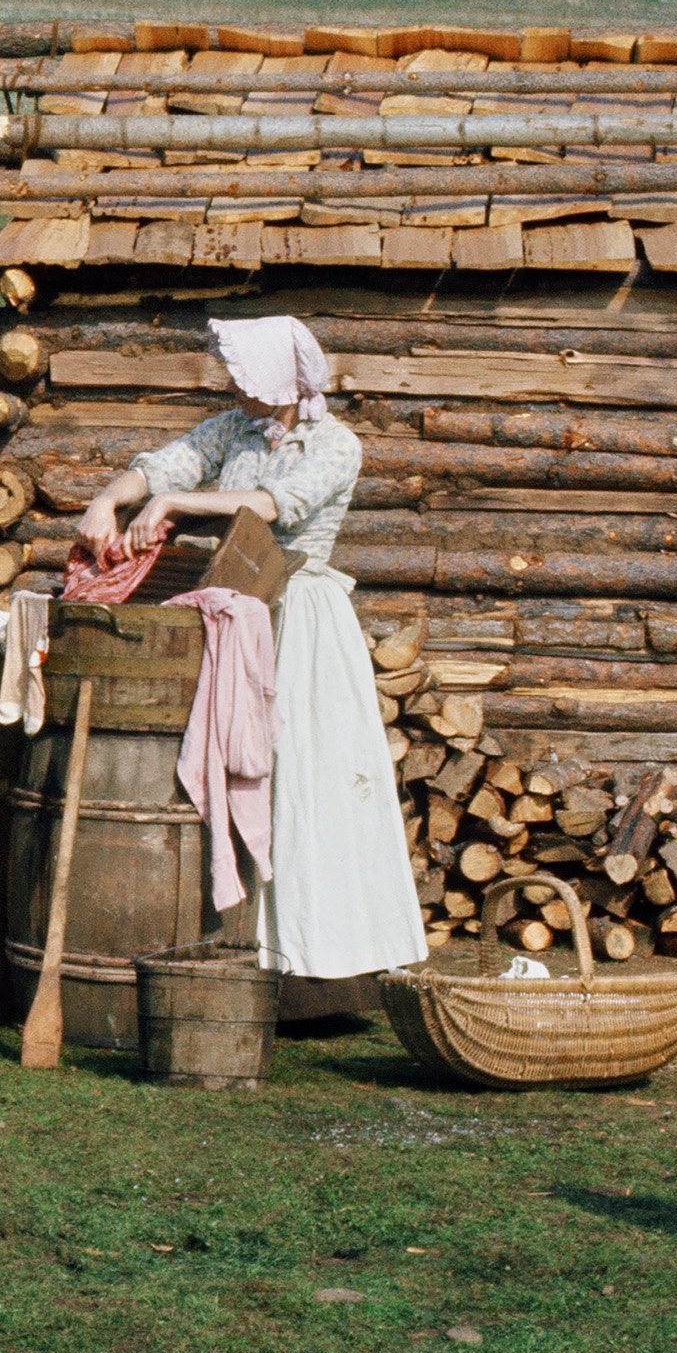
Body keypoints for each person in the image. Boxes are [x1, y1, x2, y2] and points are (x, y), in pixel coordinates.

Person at [73, 316, 427, 981]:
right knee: (235, 760)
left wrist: (173, 503)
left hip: (299, 613)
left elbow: (271, 504)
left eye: (246, 377)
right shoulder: (233, 428)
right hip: (235, 609)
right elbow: (163, 466)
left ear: (281, 378)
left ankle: (322, 955)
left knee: (298, 769)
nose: (235, 387)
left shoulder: (335, 444)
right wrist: (108, 500)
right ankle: (239, 944)